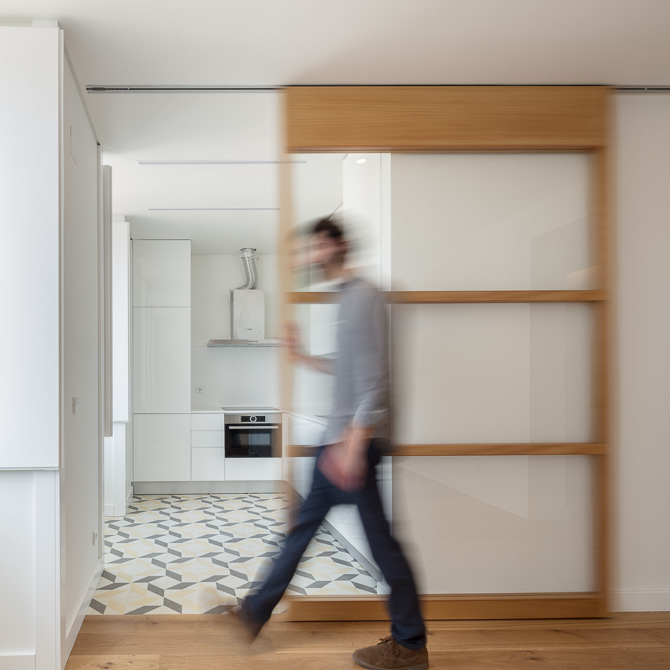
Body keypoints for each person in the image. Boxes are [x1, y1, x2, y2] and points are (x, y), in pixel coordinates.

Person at [236, 218, 428, 670]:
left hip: (351, 444)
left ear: (340, 245)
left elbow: (375, 381)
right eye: (309, 249)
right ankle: (254, 612)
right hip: (338, 442)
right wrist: (302, 356)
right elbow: (348, 368)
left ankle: (410, 644)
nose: (312, 256)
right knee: (302, 530)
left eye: (318, 246)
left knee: (382, 547)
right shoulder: (344, 298)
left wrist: (354, 447)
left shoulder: (363, 296)